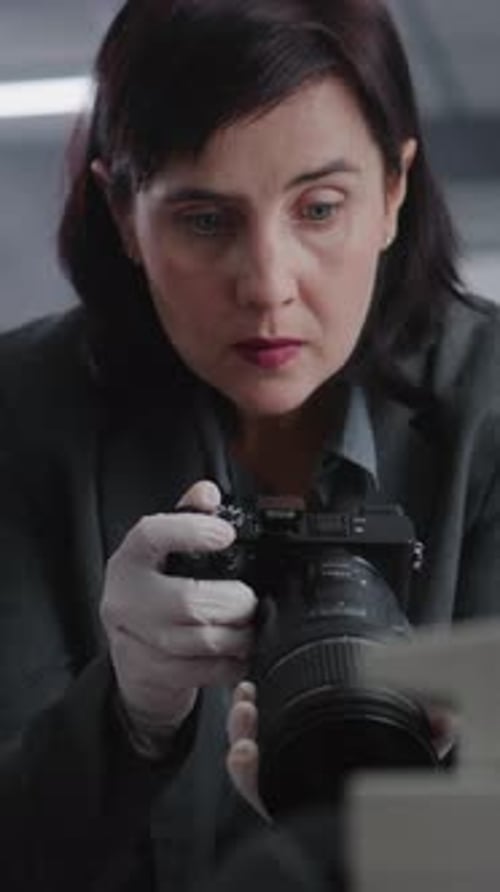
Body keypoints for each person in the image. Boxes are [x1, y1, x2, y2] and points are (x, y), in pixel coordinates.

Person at [0, 0, 499, 890]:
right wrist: (130, 716)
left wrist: (442, 810)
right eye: (204, 219)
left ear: (394, 195)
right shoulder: (20, 418)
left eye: (319, 207)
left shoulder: (493, 411)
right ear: (124, 216)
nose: (269, 286)